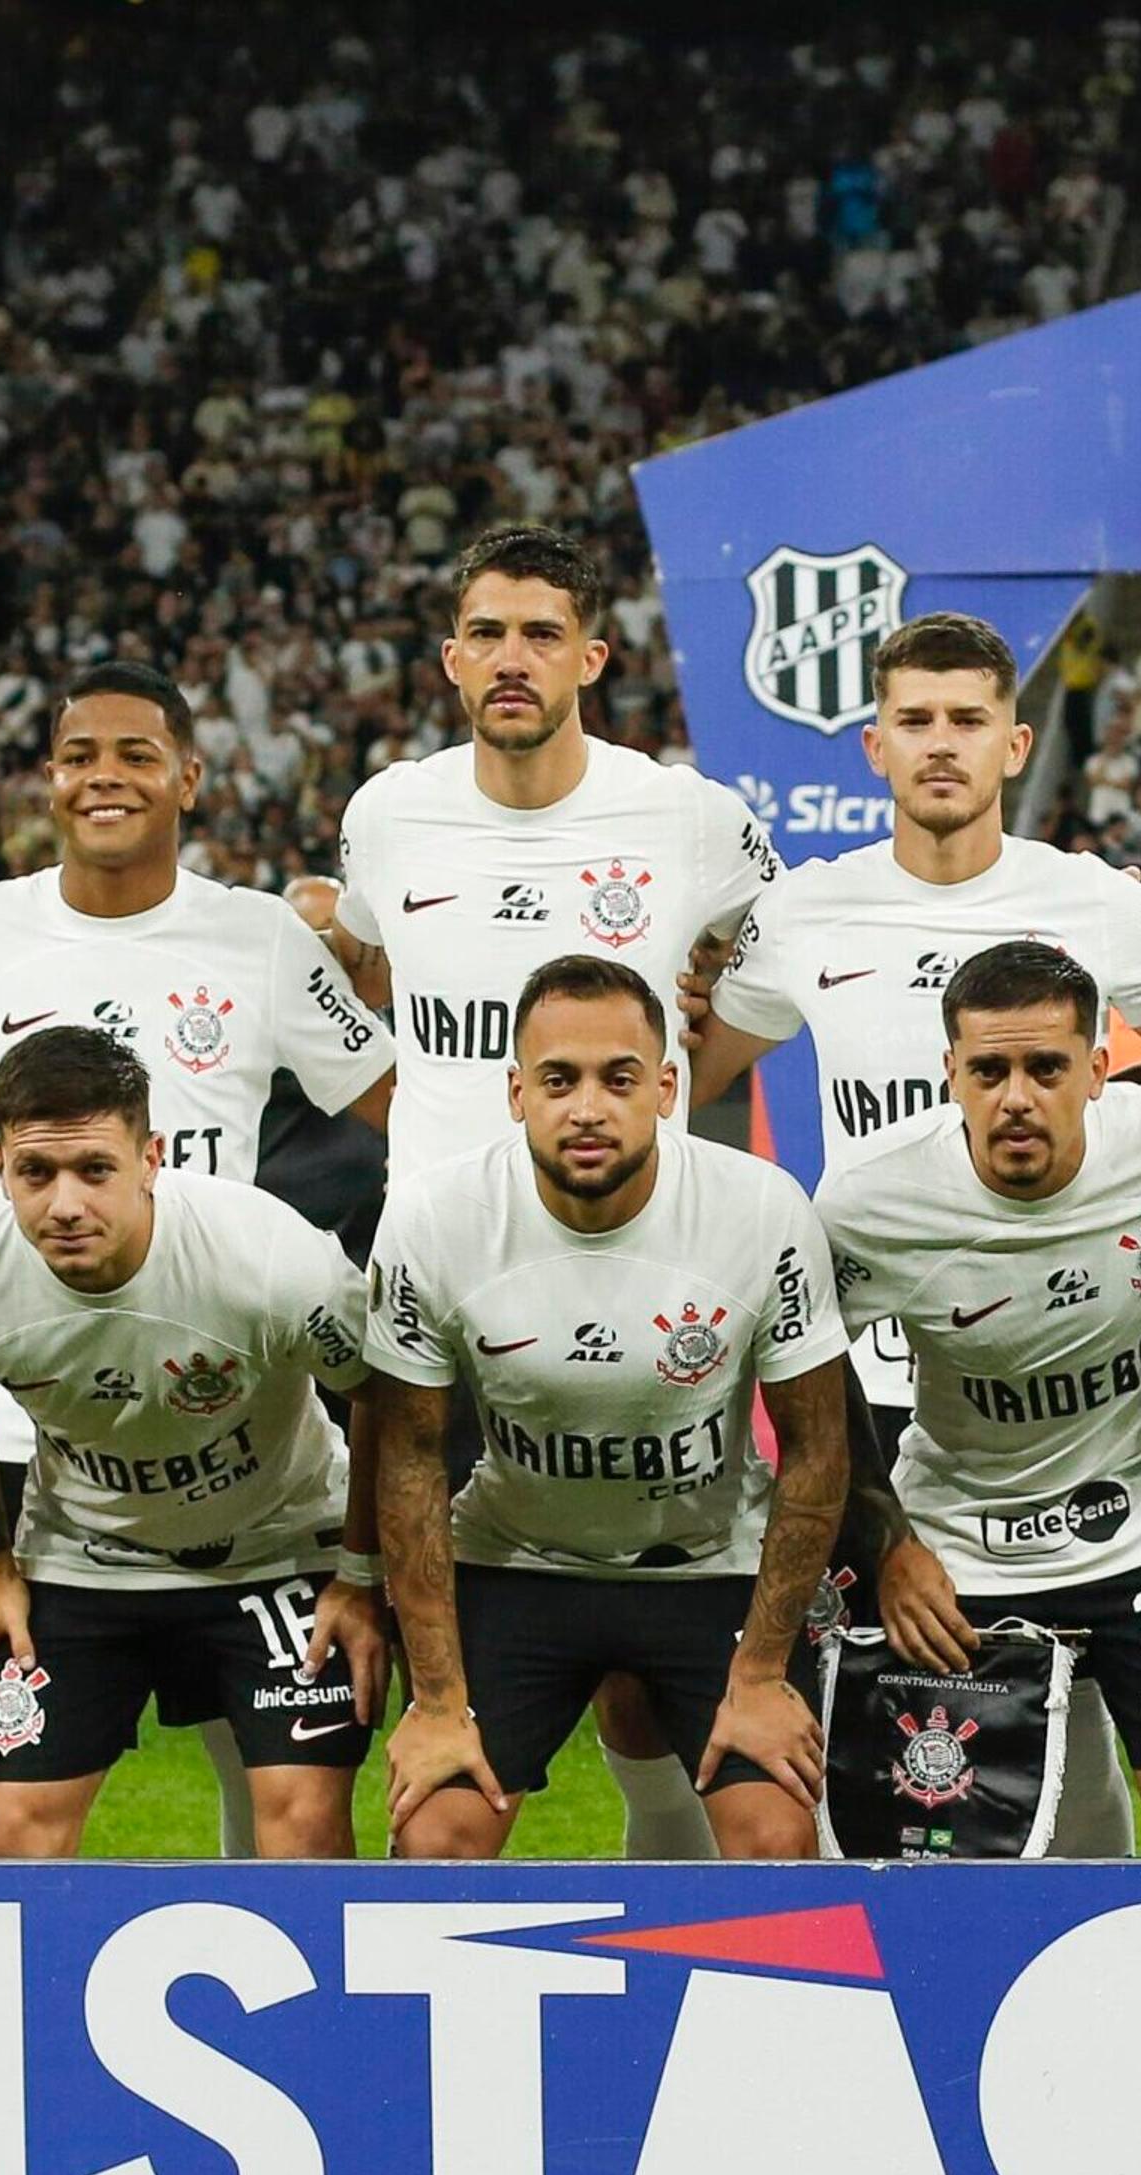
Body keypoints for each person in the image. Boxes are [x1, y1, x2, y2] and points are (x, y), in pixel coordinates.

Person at [685, 609, 1141, 1853]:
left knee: (1097, 1786)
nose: (940, 746)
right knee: (908, 1811)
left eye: (967, 721)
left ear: (1015, 743)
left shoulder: (1093, 903)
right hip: (867, 1394)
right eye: (914, 721)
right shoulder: (806, 915)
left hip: (1074, 1368)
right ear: (872, 745)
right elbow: (681, 1075)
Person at [0, 660, 393, 1862]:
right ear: (50, 781)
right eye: (81, 756)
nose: (105, 777)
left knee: (265, 1757)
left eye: (136, 754)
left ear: (188, 775)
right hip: (32, 1413)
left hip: (228, 1385)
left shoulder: (262, 936)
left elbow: (403, 1113)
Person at [330, 523, 784, 1861]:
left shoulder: (687, 816)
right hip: (447, 1296)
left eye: (542, 632)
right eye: (488, 632)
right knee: (436, 1702)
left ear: (592, 653)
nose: (513, 658)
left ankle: (680, 1910)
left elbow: (770, 956)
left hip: (651, 1284)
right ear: (451, 659)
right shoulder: (388, 813)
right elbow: (359, 963)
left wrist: (698, 1060)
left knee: (655, 1669)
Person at [818, 942, 1141, 1857]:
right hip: (965, 1544)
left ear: (1096, 1071)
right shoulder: (871, 1199)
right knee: (955, 1865)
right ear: (950, 1075)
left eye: (1046, 1067)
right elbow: (800, 1367)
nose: (1016, 1096)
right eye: (989, 1070)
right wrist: (886, 1542)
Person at [362, 956, 846, 1860]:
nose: (587, 1108)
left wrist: (763, 1673)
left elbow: (818, 1449)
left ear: (667, 1088)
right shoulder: (436, 1218)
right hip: (516, 1561)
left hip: (708, 1565)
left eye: (618, 1079)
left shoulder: (762, 1212)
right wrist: (433, 1703)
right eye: (558, 1080)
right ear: (514, 1093)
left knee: (777, 1843)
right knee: (436, 1843)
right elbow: (409, 1460)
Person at [0, 1029, 384, 1859]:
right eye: (35, 1173)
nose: (66, 1205)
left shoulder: (270, 1262)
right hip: (85, 1554)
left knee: (302, 1829)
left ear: (151, 1157)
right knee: (13, 1835)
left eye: (95, 1169)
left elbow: (388, 1401)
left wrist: (361, 1575)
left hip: (275, 1547)